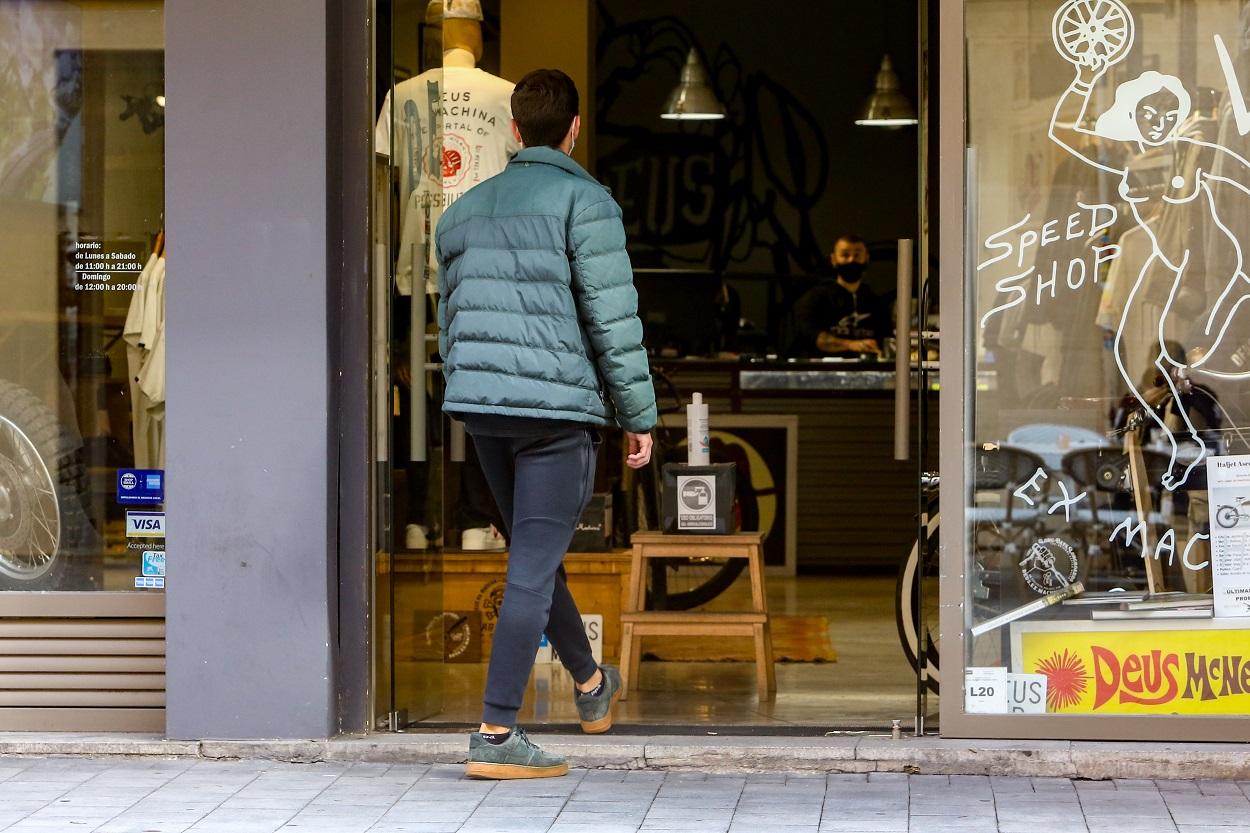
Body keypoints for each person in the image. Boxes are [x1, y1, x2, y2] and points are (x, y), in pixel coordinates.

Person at [435, 68, 656, 780]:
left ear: (512, 130)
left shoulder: (462, 212)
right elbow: (611, 319)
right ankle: (497, 731)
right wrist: (639, 416)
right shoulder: (584, 201)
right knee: (531, 564)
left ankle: (591, 687)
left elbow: (451, 325)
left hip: (485, 413)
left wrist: (473, 389)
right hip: (556, 415)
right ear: (575, 128)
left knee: (538, 555)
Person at [791, 234, 890, 357]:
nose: (851, 260)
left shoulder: (877, 303)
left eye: (857, 255)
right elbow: (810, 336)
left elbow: (887, 340)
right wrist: (850, 344)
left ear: (866, 258)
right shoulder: (814, 298)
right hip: (825, 371)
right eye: (845, 255)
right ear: (834, 259)